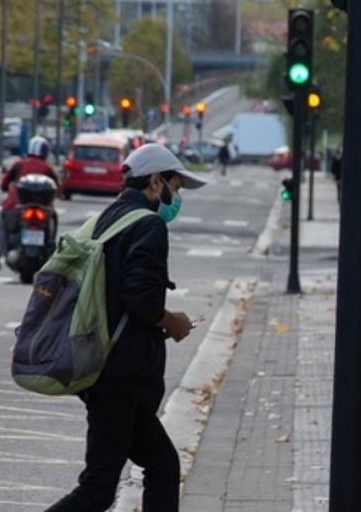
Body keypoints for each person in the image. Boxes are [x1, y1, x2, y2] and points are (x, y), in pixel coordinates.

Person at [44, 143, 207, 512]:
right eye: (175, 187)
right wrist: (172, 321)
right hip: (121, 375)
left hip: (104, 366)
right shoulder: (147, 224)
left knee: (161, 464)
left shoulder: (109, 216)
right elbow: (139, 300)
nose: (176, 197)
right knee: (98, 488)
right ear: (155, 181)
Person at [0, 136, 58, 270]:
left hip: (15, 207)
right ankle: (51, 251)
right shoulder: (47, 168)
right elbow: (58, 189)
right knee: (53, 220)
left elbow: (4, 184)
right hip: (43, 210)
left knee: (3, 223)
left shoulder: (20, 164)